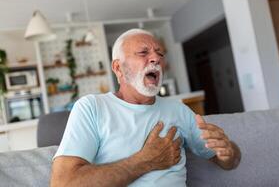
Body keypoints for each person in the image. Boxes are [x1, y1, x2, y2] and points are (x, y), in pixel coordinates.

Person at [50, 29, 241, 187]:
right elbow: (63, 183)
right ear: (118, 68)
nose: (156, 59)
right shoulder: (92, 107)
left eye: (160, 54)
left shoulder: (178, 110)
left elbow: (228, 161)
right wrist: (145, 160)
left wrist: (229, 152)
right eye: (143, 53)